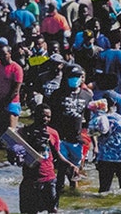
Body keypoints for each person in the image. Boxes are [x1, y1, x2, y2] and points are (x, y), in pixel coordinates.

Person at [16, 103, 81, 214]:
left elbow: (57, 156)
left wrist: (71, 165)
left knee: (53, 210)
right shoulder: (24, 132)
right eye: (43, 115)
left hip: (49, 179)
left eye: (48, 117)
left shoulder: (53, 133)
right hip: (30, 180)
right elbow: (16, 157)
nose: (45, 119)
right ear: (35, 115)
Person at [48, 64, 91, 192]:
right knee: (61, 168)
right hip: (60, 138)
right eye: (72, 76)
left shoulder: (87, 96)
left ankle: (73, 194)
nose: (75, 79)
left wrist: (89, 140)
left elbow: (89, 120)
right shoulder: (57, 94)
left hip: (77, 140)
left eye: (78, 77)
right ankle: (58, 191)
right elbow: (50, 116)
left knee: (74, 172)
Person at [89, 95, 121, 193]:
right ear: (115, 105)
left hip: (105, 157)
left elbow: (92, 133)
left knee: (103, 189)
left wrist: (95, 147)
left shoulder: (98, 119)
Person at [0, 45, 23, 133]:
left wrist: (3, 104)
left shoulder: (16, 68)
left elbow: (15, 90)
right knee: (1, 133)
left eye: (4, 54)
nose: (2, 57)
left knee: (10, 133)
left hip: (11, 103)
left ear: (10, 54)